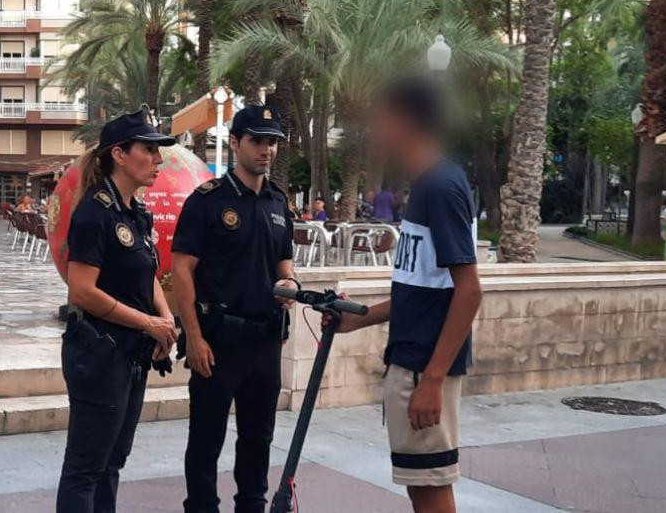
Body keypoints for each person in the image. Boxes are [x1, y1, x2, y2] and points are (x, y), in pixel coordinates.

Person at [324, 78, 483, 513]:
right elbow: (427, 291)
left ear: (407, 121)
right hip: (412, 364)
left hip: (422, 369)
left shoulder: (441, 187)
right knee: (421, 485)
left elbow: (469, 291)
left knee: (431, 487)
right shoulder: (427, 187)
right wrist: (361, 317)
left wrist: (431, 380)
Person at [172, 105, 297, 513]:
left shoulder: (278, 203)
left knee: (258, 438)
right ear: (235, 142)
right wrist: (193, 336)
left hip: (265, 341)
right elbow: (181, 271)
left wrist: (290, 285)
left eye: (272, 142)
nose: (266, 150)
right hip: (217, 341)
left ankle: (252, 507)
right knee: (206, 439)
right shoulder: (207, 201)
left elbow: (283, 264)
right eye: (257, 141)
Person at [57, 109, 178, 513]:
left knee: (113, 461)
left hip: (131, 354)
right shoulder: (95, 212)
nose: (158, 160)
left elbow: (150, 276)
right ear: (119, 155)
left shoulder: (137, 213)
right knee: (86, 467)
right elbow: (82, 291)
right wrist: (148, 322)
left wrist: (165, 322)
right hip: (98, 355)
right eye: (150, 150)